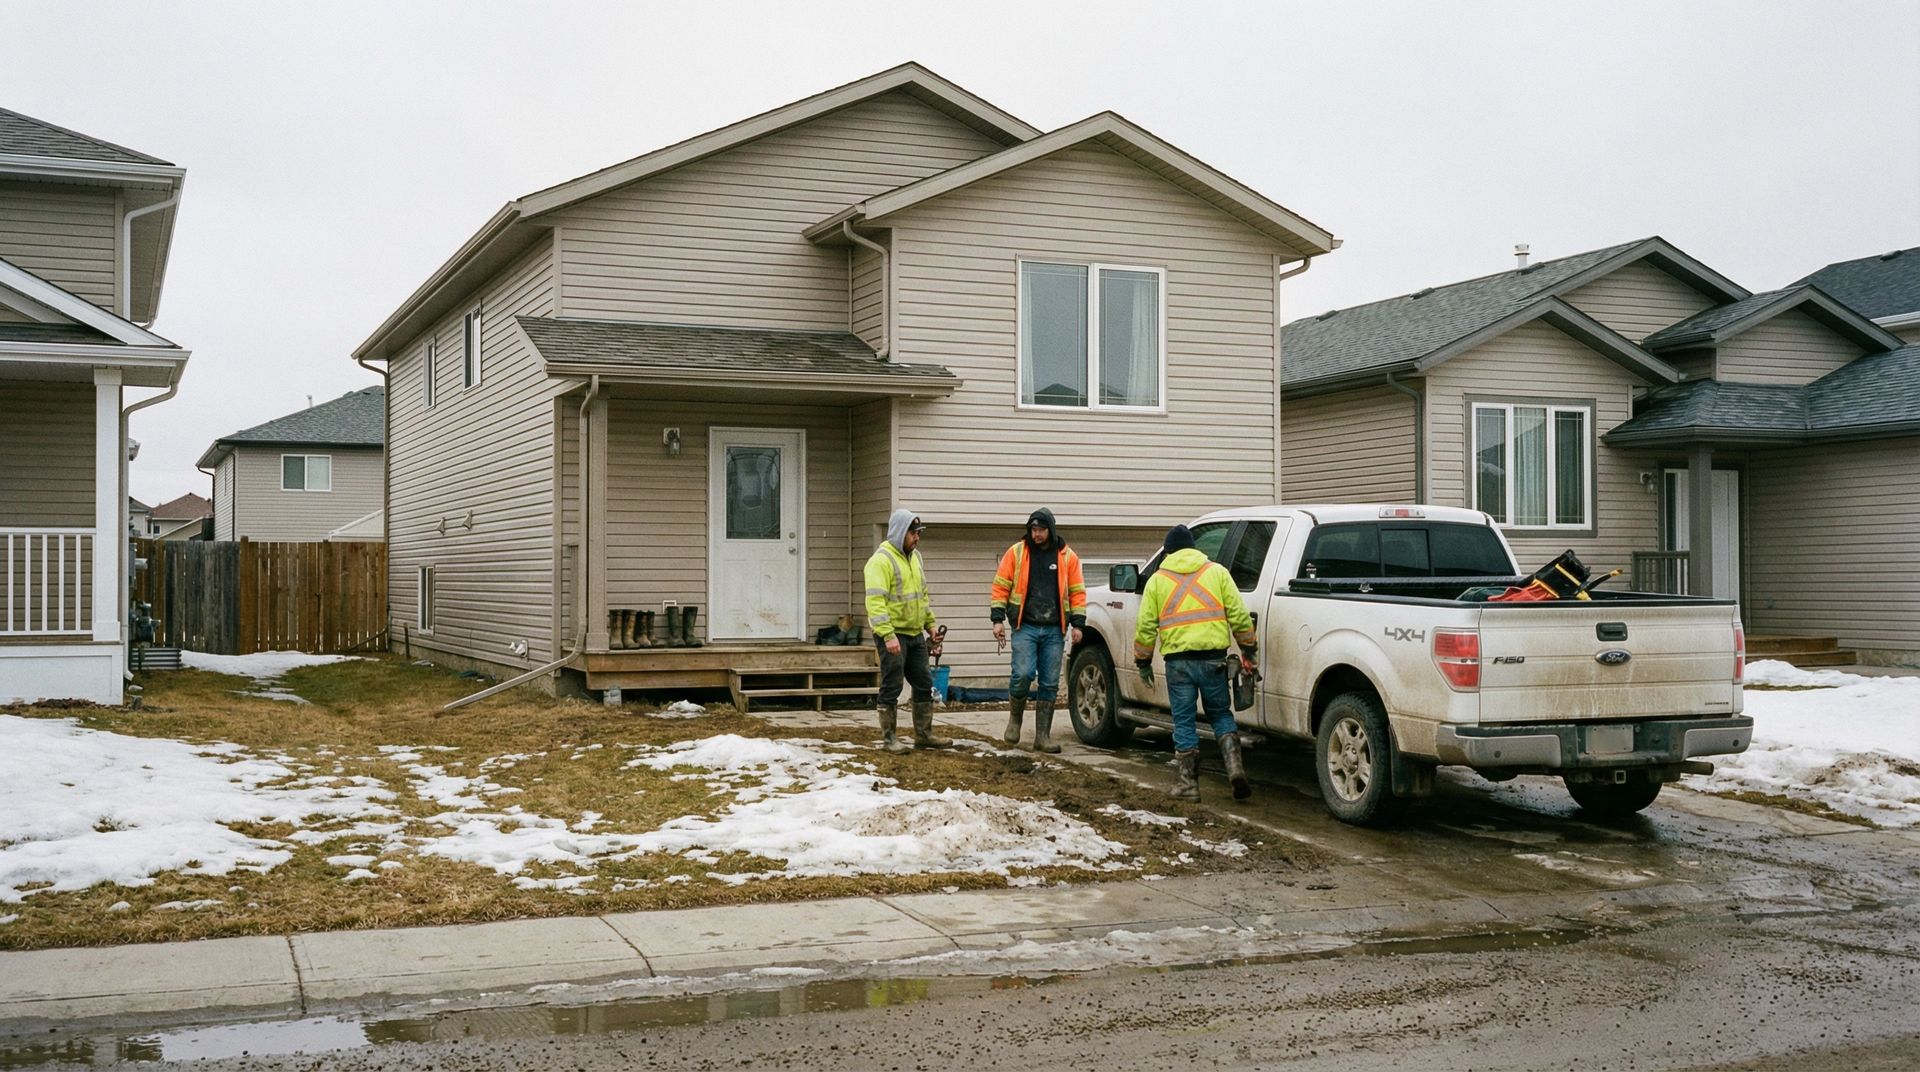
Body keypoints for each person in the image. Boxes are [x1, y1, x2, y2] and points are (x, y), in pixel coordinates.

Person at [1133, 524, 1259, 801]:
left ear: (1168, 551)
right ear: (1194, 548)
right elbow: (1238, 615)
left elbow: (1145, 627)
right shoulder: (1217, 573)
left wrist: (1142, 662)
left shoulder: (1157, 580)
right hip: (1214, 660)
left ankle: (1189, 786)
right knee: (1221, 715)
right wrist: (1249, 649)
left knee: (1184, 721)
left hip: (1179, 664)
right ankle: (1235, 769)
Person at [990, 508, 1087, 753]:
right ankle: (1015, 721)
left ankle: (1042, 736)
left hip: (1055, 629)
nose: (1036, 534)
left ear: (1050, 530)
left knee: (1050, 683)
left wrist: (1078, 624)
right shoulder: (1017, 553)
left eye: (1041, 530)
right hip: (1026, 626)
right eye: (1033, 530)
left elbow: (1077, 591)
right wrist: (998, 619)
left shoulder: (1067, 557)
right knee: (1022, 674)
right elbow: (1001, 586)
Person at [864, 508, 949, 753]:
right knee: (892, 683)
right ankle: (889, 737)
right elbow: (875, 602)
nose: (917, 537)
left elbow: (921, 596)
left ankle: (924, 734)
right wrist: (888, 635)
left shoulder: (916, 558)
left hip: (915, 633)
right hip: (893, 634)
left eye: (918, 532)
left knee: (923, 683)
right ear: (900, 532)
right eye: (913, 532)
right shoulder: (881, 561)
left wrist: (930, 626)